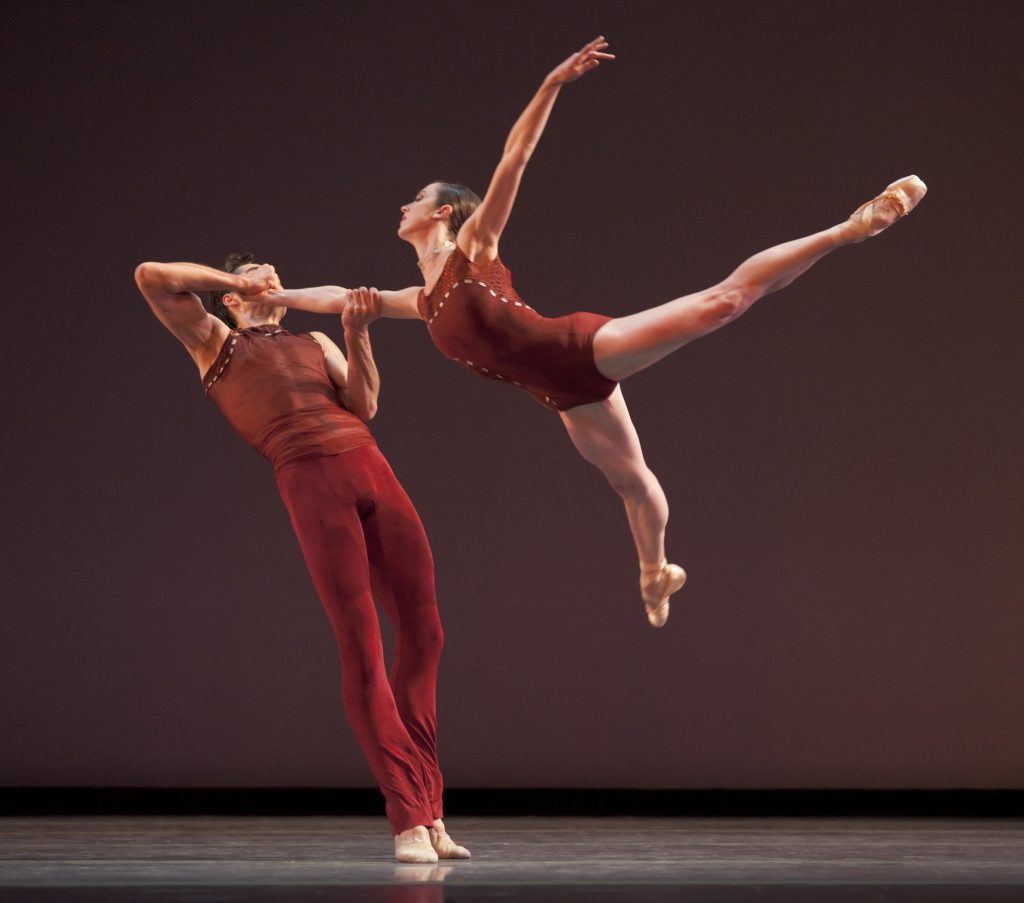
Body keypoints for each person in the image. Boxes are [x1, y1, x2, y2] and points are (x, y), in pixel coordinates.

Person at [265, 37, 927, 628]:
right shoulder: (423, 300)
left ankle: (851, 227)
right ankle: (654, 572)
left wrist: (550, 85)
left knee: (722, 304)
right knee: (633, 483)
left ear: (439, 213)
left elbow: (515, 157)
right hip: (563, 398)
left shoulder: (472, 246)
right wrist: (271, 293)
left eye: (413, 199)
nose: (400, 207)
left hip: (580, 347)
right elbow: (344, 297)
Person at [134, 255, 470, 864]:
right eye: (259, 270)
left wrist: (356, 332)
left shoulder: (312, 338)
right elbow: (151, 275)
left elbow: (363, 405)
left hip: (371, 466)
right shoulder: (213, 341)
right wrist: (236, 283)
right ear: (233, 297)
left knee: (427, 635)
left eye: (272, 269)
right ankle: (407, 821)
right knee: (361, 644)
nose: (273, 275)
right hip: (310, 479)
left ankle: (432, 808)